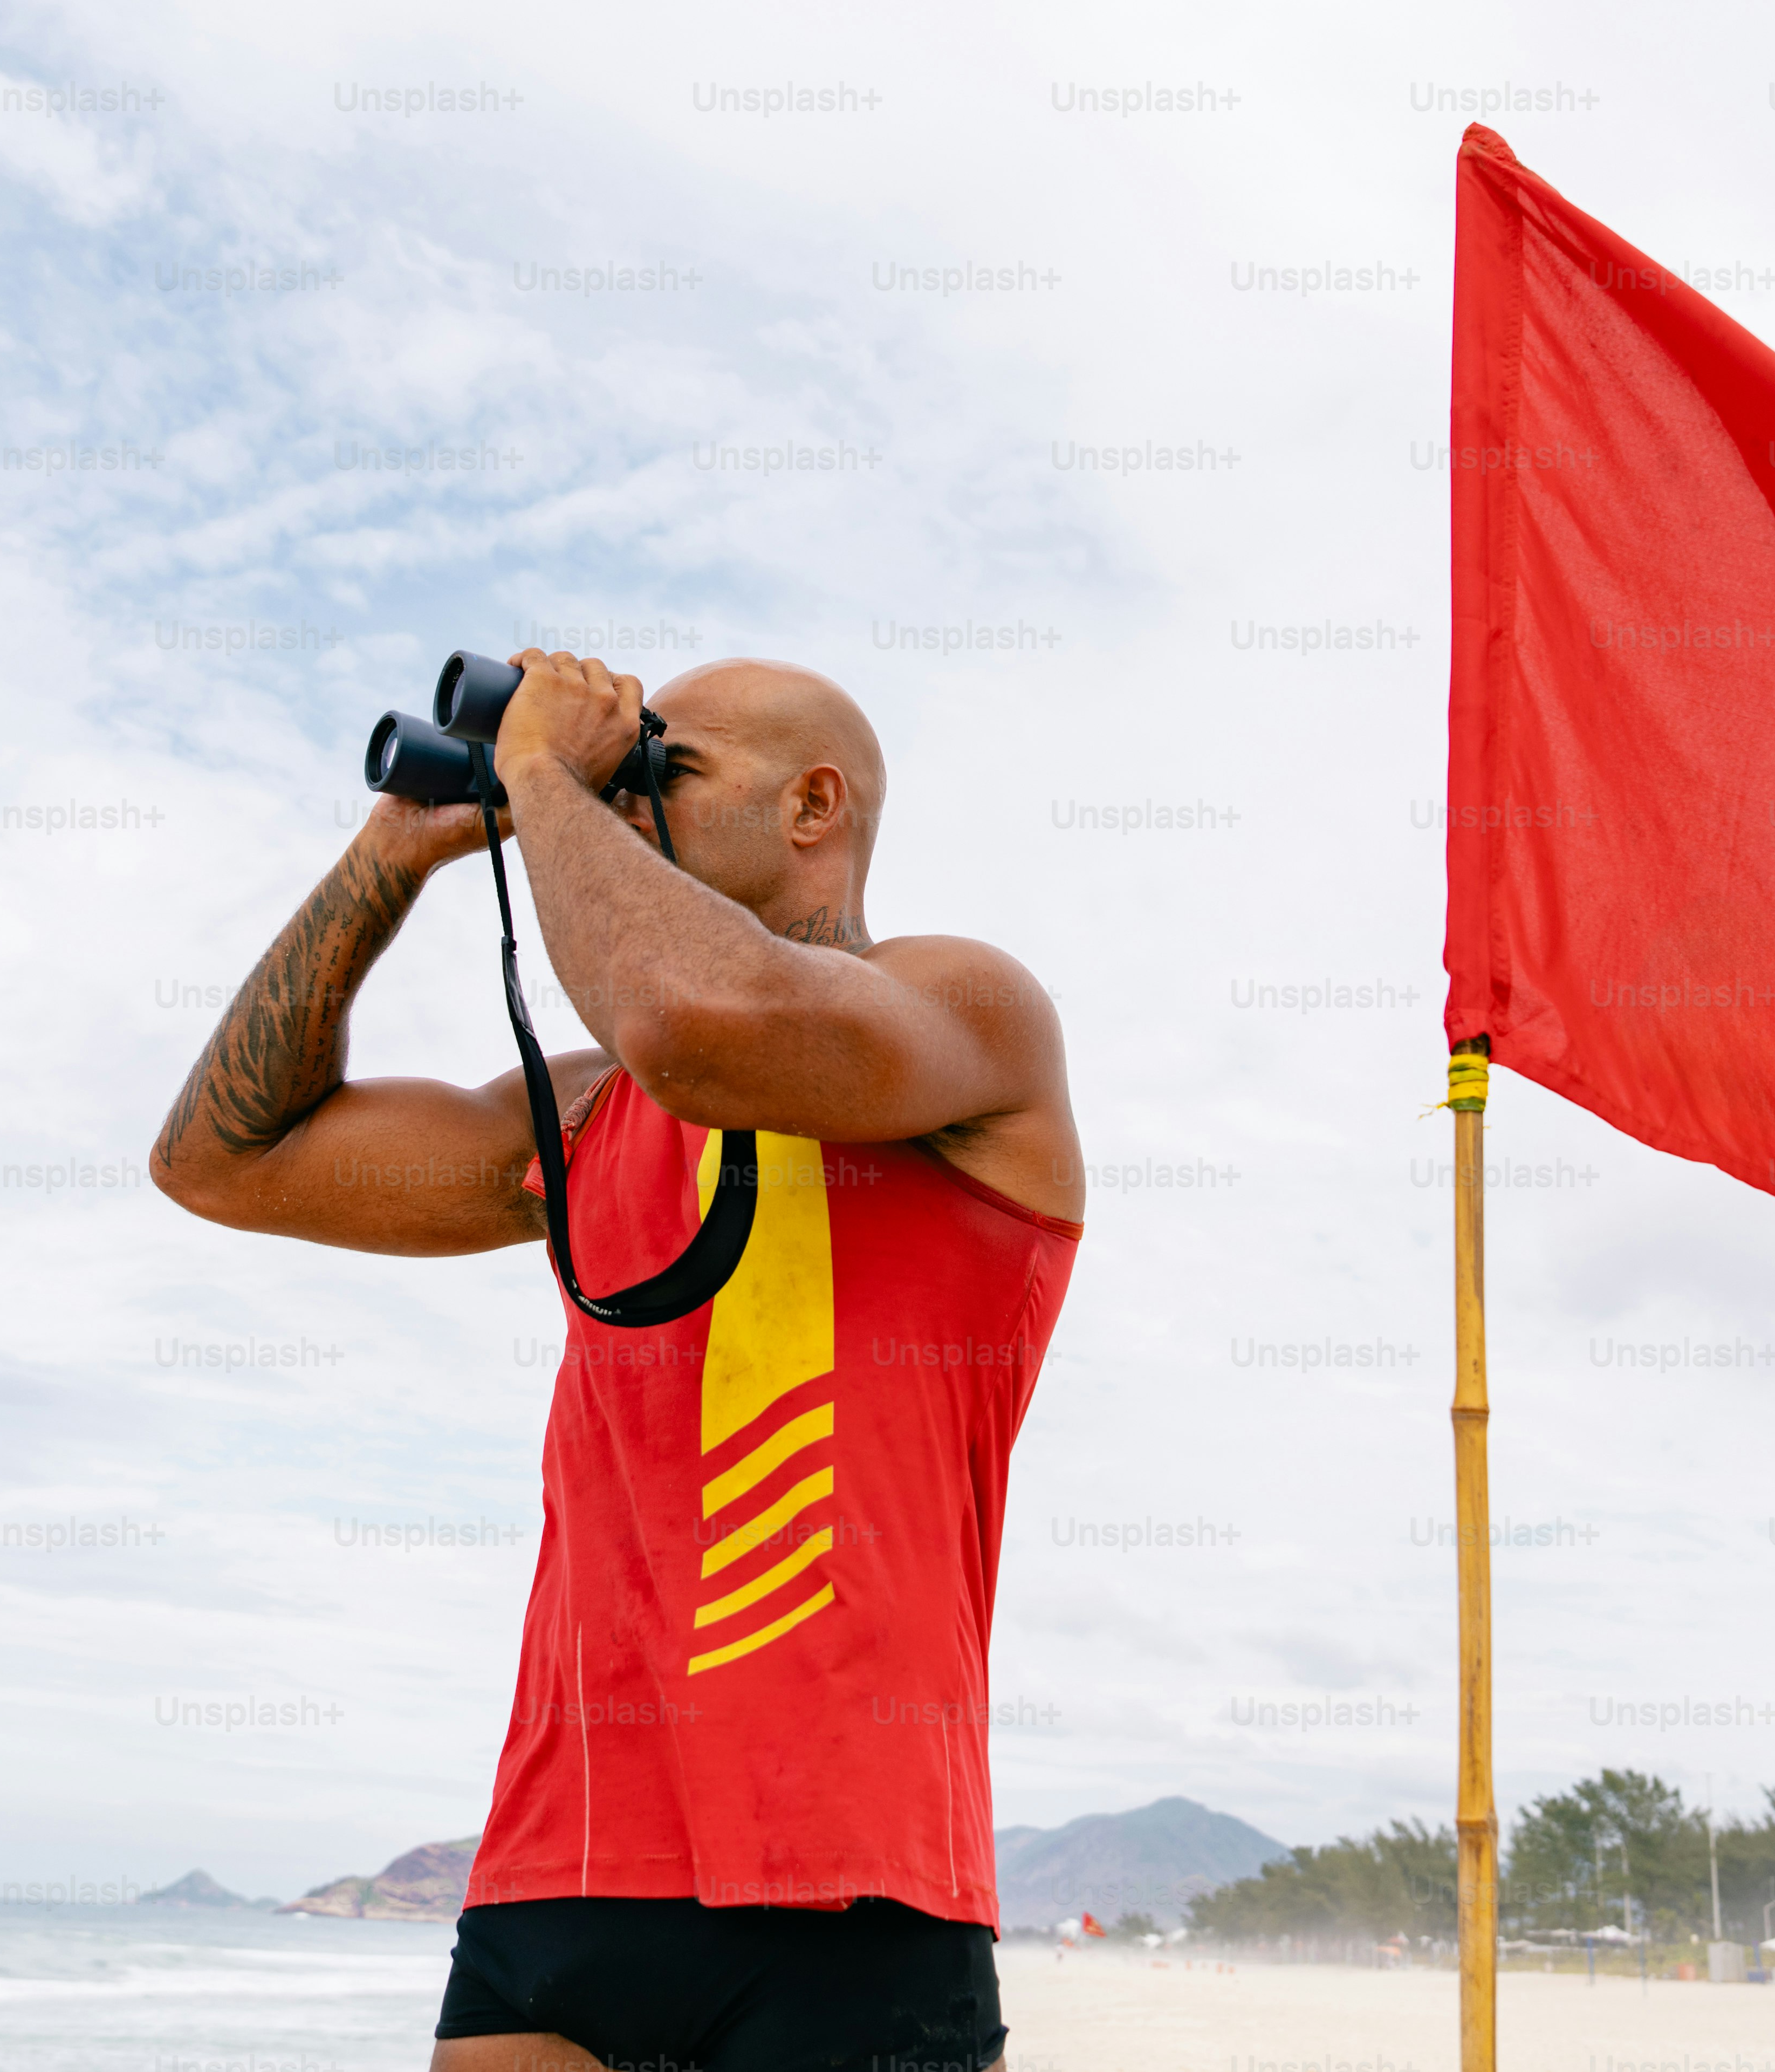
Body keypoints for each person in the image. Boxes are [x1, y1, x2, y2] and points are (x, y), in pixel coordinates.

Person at [152, 651, 1083, 2072]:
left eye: (669, 767)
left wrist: (541, 773)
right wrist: (394, 852)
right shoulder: (588, 1113)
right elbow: (224, 1161)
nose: (624, 793)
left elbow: (700, 1030)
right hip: (559, 1861)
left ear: (815, 804)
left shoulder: (969, 1012)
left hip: (849, 1876)